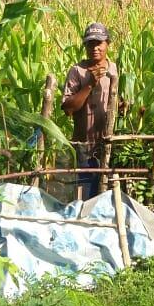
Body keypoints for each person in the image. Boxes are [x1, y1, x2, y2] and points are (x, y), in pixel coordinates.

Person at [61, 22, 117, 200]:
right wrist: (90, 84)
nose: (95, 48)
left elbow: (115, 99)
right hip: (84, 148)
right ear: (85, 46)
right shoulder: (77, 71)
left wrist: (122, 105)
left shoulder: (114, 69)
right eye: (90, 44)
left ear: (107, 43)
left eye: (99, 43)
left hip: (108, 145)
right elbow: (68, 109)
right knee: (85, 198)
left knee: (107, 198)